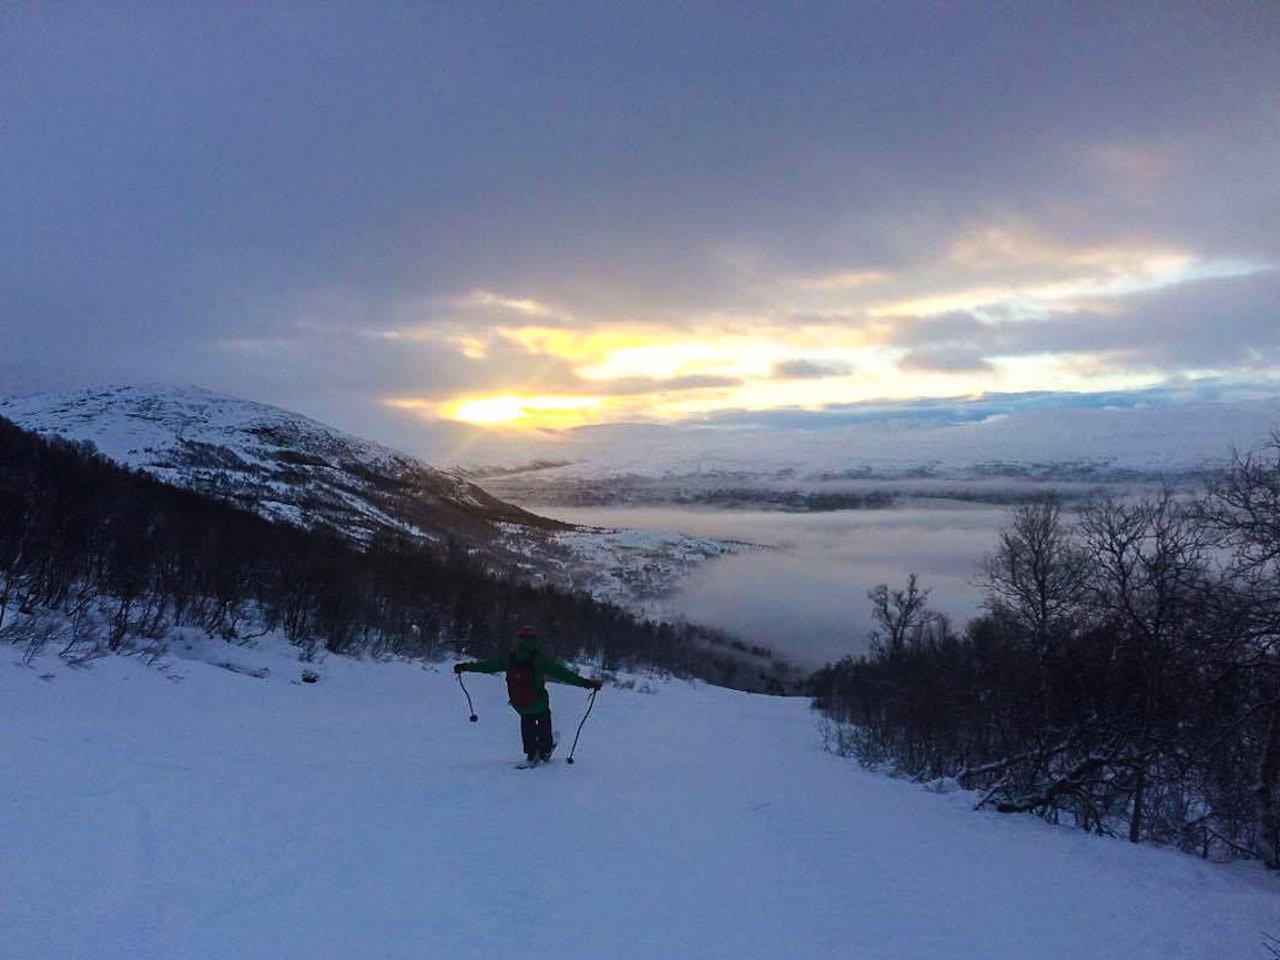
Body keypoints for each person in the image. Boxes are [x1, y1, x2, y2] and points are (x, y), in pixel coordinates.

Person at [454, 626, 602, 763]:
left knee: (527, 719)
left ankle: (531, 753)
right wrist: (587, 683)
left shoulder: (510, 658)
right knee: (544, 716)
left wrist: (465, 667)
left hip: (518, 703)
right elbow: (563, 674)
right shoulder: (539, 659)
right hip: (537, 702)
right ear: (535, 641)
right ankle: (545, 750)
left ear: (519, 640)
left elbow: (487, 666)